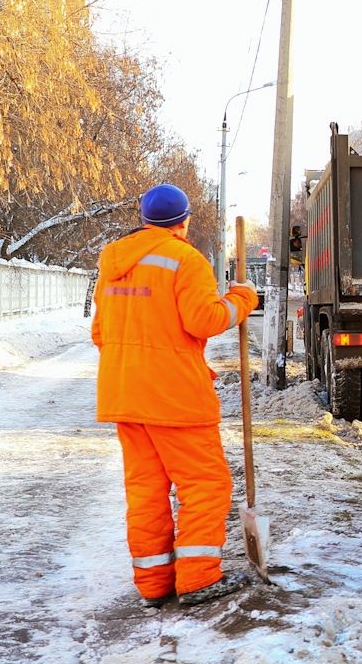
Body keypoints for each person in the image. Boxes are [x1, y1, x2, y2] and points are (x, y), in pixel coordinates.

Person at [91, 184, 259, 607]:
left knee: (145, 490)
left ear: (144, 218)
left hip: (123, 394)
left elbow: (102, 333)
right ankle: (199, 578)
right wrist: (242, 299)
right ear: (184, 222)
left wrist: (166, 359)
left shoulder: (113, 262)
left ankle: (154, 583)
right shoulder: (184, 259)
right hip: (173, 400)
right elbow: (204, 320)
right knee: (205, 484)